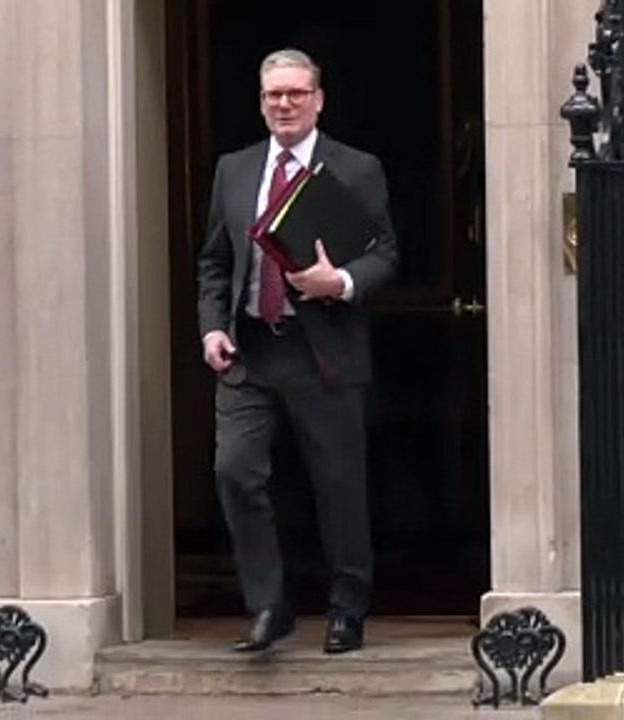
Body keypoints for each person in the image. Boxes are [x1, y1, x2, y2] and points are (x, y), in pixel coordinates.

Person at [196, 48, 398, 655]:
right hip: (250, 351)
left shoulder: (357, 169)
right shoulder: (235, 170)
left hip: (324, 350)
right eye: (273, 95)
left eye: (296, 93)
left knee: (338, 485)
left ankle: (347, 608)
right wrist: (211, 327)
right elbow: (215, 261)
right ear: (261, 103)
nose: (284, 104)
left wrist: (338, 282)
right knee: (235, 472)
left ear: (318, 99)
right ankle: (267, 605)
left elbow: (385, 253)